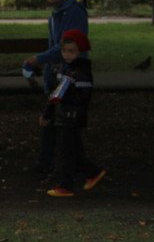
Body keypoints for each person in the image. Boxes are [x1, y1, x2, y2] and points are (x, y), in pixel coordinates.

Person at [24, 0, 88, 176]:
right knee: (55, 122)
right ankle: (55, 165)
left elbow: (66, 47)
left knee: (63, 124)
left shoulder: (73, 13)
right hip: (59, 74)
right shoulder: (56, 14)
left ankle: (74, 169)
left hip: (71, 76)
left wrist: (38, 59)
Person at [41, 29, 106, 197]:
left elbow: (83, 97)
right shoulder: (66, 70)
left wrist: (65, 97)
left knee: (66, 152)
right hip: (63, 116)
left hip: (71, 118)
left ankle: (66, 185)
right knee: (73, 150)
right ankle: (92, 172)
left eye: (71, 51)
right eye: (64, 51)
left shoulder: (80, 72)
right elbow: (55, 95)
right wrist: (48, 113)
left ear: (79, 52)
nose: (67, 55)